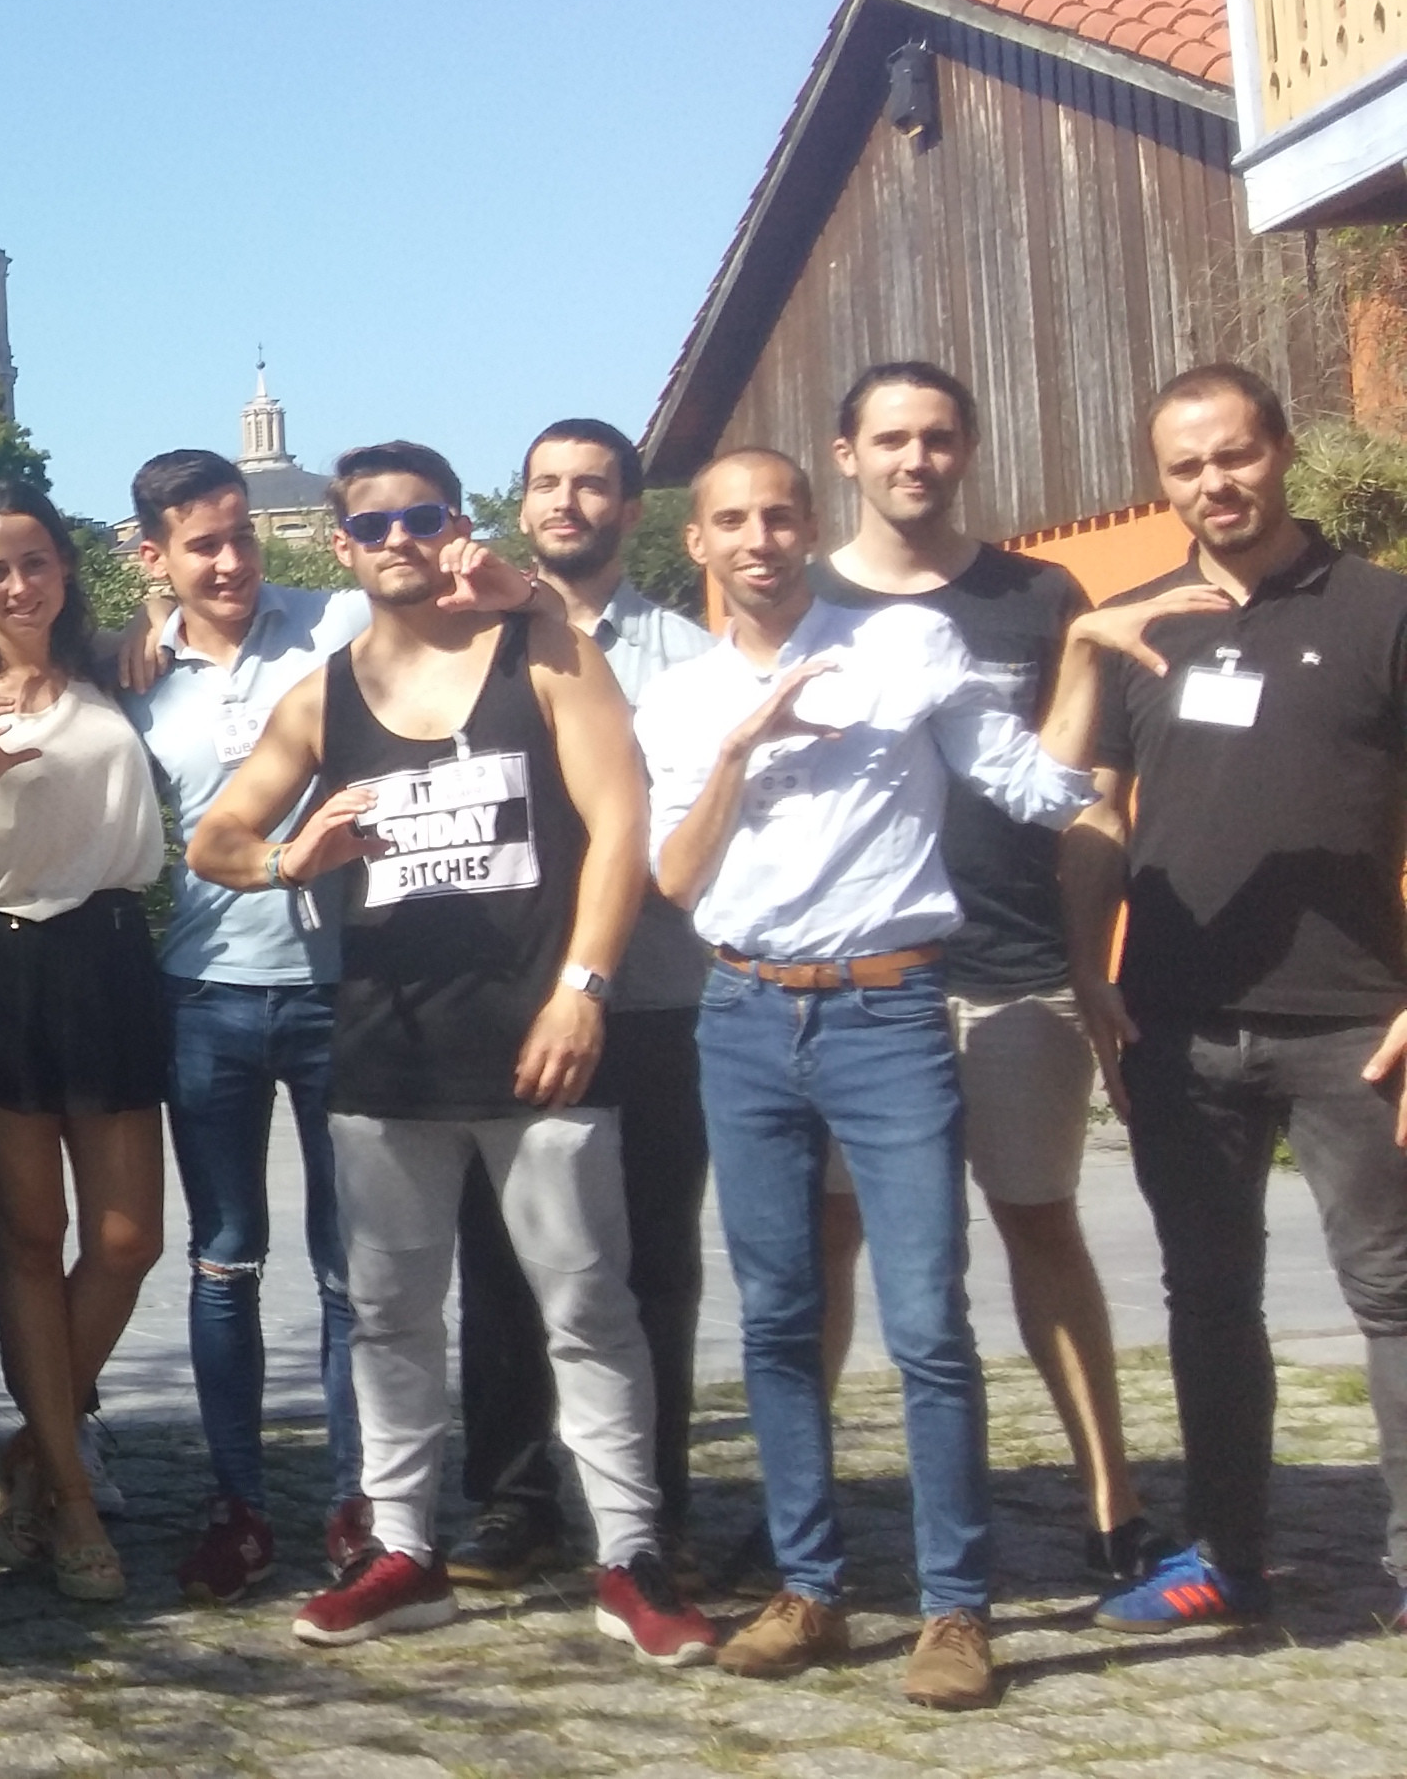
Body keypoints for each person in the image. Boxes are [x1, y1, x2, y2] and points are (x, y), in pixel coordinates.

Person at [633, 446, 1154, 1708]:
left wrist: (1118, 699)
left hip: (888, 1008)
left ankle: (955, 1612)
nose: (758, 538)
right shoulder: (678, 696)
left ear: (813, 526)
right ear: (698, 544)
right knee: (775, 1320)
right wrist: (745, 748)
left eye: (779, 516)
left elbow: (1021, 778)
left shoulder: (903, 644)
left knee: (927, 1322)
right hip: (746, 1013)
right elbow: (676, 878)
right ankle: (809, 1590)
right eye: (731, 522)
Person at [187, 440, 708, 1668]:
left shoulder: (544, 654)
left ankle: (629, 1554)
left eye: (422, 517)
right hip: (388, 1049)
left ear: (454, 523)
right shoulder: (326, 694)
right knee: (388, 1314)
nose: (400, 540)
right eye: (374, 526)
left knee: (586, 1301)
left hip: (540, 1042)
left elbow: (622, 818)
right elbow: (213, 836)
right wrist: (286, 861)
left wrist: (585, 988)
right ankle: (406, 1549)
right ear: (345, 545)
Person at [796, 363, 1164, 1588]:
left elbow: (1089, 804)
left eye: (939, 438)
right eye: (891, 439)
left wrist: (1089, 969)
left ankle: (1113, 1506)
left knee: (1039, 1222)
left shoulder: (1038, 596)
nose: (917, 459)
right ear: (844, 454)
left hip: (1012, 975)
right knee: (832, 1236)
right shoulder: (799, 599)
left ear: (967, 451)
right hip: (851, 979)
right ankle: (814, 1514)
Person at [1069, 364, 1407, 1637]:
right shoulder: (1140, 623)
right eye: (1185, 466)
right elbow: (1095, 809)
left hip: (1356, 1026)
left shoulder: (1382, 611)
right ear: (1163, 480)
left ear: (1281, 452)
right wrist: (1086, 967)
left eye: (1235, 455)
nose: (1214, 484)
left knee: (1394, 1296)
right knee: (1208, 1299)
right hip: (1177, 1024)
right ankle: (1225, 1555)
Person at [448, 421, 724, 1590]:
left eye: (593, 485)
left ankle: (651, 1506)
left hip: (652, 995)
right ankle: (513, 1502)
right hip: (504, 998)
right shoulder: (463, 643)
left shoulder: (686, 657)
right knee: (504, 1262)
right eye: (548, 484)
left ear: (634, 507)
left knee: (653, 1259)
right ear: (521, 503)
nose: (568, 503)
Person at [0, 480, 169, 1601]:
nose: (17, 585)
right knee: (31, 1237)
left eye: (35, 563)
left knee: (125, 1241)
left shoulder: (118, 671)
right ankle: (67, 1488)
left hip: (108, 956)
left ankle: (23, 1450)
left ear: (65, 569)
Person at [117, 450, 371, 1600]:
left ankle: (359, 1498)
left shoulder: (334, 624)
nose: (229, 561)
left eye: (240, 537)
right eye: (202, 544)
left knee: (348, 1267)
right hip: (208, 991)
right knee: (225, 1261)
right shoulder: (133, 678)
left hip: (337, 987)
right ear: (154, 557)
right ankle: (239, 1504)